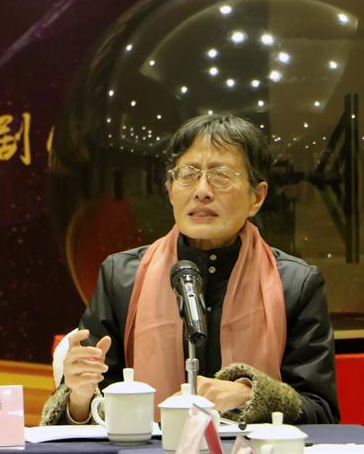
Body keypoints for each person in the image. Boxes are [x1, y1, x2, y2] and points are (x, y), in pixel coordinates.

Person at [41, 114, 339, 425]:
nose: (202, 190)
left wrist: (247, 395)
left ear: (257, 197)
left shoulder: (295, 284)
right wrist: (79, 397)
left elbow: (321, 413)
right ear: (170, 190)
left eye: (221, 175)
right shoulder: (121, 277)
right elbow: (85, 416)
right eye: (188, 175)